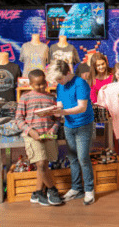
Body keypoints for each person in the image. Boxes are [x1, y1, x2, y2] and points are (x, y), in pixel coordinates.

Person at [47, 60, 96, 205]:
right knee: (73, 158)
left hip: (83, 125)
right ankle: (76, 188)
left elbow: (81, 107)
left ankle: (89, 190)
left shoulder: (80, 83)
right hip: (69, 125)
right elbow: (60, 104)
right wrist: (54, 110)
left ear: (68, 73)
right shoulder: (60, 86)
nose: (59, 82)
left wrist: (62, 111)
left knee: (83, 158)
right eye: (56, 80)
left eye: (60, 78)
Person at [15, 69, 62, 206]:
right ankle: (52, 190)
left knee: (45, 165)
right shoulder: (25, 97)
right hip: (33, 136)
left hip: (48, 135)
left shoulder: (52, 97)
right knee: (41, 164)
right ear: (30, 84)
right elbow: (18, 119)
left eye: (43, 83)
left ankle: (37, 192)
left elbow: (57, 119)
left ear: (46, 82)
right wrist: (31, 131)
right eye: (37, 84)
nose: (41, 87)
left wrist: (53, 130)